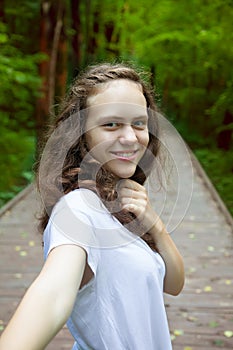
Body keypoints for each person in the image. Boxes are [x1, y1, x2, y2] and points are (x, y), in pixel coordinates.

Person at [0, 62, 184, 350]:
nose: (130, 137)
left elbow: (172, 284)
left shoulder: (118, 202)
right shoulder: (79, 207)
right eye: (111, 124)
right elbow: (53, 293)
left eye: (139, 123)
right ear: (80, 135)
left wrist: (155, 226)